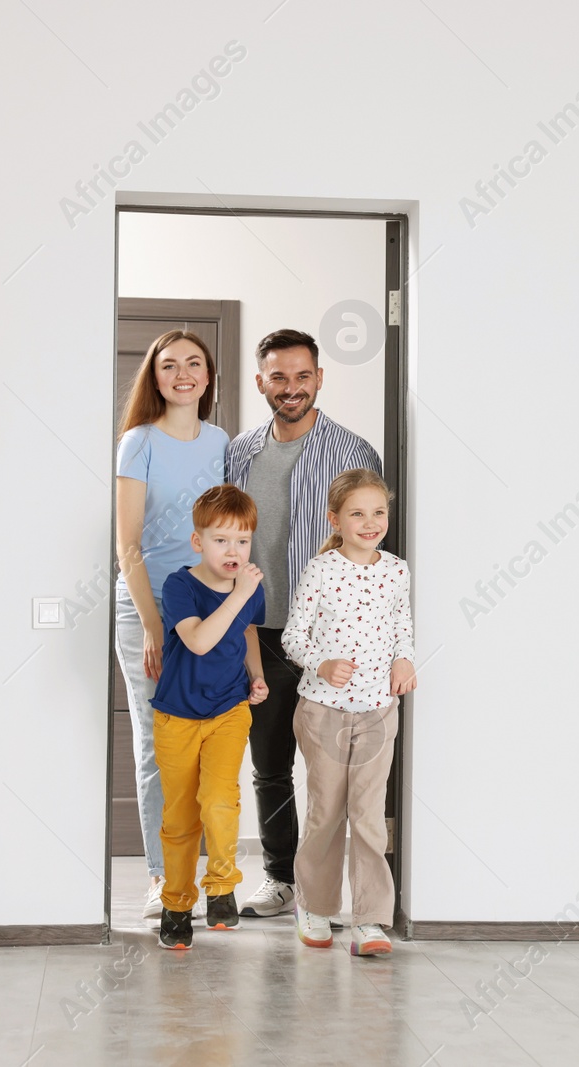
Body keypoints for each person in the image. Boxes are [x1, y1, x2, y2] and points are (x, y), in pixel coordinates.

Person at [225, 329, 381, 919]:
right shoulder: (238, 454)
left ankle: (330, 894)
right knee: (269, 764)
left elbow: (373, 545)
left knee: (335, 772)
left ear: (320, 378)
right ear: (261, 380)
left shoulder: (355, 452)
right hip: (257, 633)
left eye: (302, 376)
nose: (291, 389)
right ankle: (280, 878)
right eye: (279, 377)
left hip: (330, 641)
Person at [114, 330, 229, 919]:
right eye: (168, 365)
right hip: (150, 610)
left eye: (193, 364)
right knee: (159, 747)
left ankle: (208, 875)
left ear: (208, 377)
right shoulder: (138, 442)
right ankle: (163, 879)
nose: (182, 373)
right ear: (154, 378)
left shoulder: (221, 442)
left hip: (212, 609)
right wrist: (155, 626)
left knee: (209, 744)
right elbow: (128, 547)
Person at [283, 468, 415, 956]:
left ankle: (371, 920)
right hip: (324, 712)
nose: (370, 522)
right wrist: (323, 663)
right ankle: (314, 907)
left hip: (379, 712)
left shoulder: (397, 570)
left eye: (378, 512)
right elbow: (293, 637)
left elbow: (402, 629)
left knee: (368, 816)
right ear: (335, 519)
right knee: (326, 814)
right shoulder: (321, 570)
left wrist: (406, 658)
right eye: (357, 513)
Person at [150, 484, 269, 950]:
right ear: (198, 542)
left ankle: (222, 889)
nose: (233, 551)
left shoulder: (248, 589)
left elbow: (249, 630)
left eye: (242, 541)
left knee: (219, 800)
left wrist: (255, 676)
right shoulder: (180, 585)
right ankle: (176, 904)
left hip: (228, 709)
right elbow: (199, 640)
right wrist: (240, 594)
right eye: (221, 540)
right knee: (180, 816)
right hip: (177, 715)